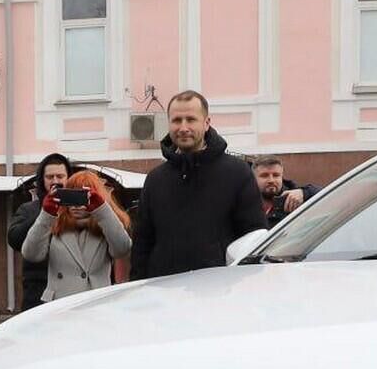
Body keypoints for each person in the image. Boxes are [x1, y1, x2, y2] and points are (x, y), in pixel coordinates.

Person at [130, 90, 266, 280]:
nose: (183, 127)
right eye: (177, 120)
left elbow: (253, 237)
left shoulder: (237, 173)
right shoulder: (155, 179)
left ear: (207, 123)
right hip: (164, 294)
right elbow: (142, 244)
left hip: (219, 292)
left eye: (191, 119)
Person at [21, 170, 131, 302]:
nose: (76, 205)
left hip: (95, 303)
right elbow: (31, 254)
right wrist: (46, 214)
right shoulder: (55, 224)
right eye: (71, 197)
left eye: (82, 198)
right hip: (61, 304)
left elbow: (122, 248)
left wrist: (102, 210)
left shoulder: (106, 226)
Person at [6, 153, 72, 310]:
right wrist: (44, 213)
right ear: (42, 180)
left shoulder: (76, 209)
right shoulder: (28, 209)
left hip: (70, 294)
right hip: (37, 294)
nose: (55, 181)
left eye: (60, 176)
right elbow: (14, 239)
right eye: (50, 177)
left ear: (68, 178)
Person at [252, 156, 322, 227]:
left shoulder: (295, 197)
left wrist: (304, 193)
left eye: (276, 175)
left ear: (282, 176)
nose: (271, 180)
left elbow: (328, 195)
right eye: (264, 176)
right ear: (253, 178)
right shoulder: (245, 201)